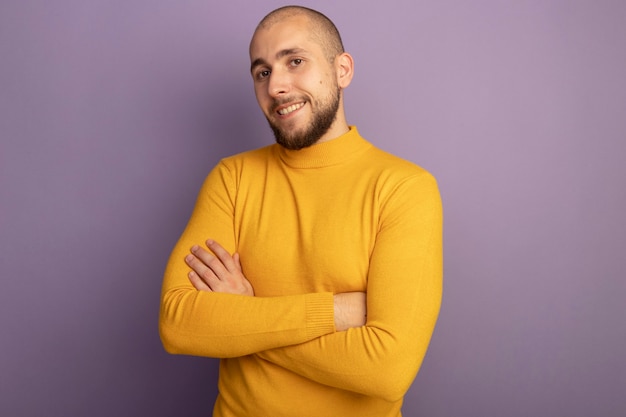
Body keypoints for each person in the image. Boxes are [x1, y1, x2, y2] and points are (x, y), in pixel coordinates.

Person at [159, 5, 442, 417]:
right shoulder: (232, 178)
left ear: (342, 70)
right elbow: (179, 323)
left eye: (295, 61)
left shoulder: (403, 188)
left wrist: (247, 317)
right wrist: (335, 312)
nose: (276, 86)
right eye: (262, 72)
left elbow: (387, 369)